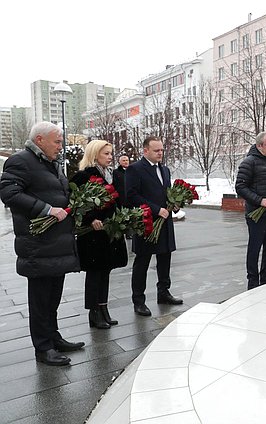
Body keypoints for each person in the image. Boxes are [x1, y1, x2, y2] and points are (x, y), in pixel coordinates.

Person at [0, 122, 84, 366]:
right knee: (40, 300)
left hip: (56, 244)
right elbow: (9, 193)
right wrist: (47, 210)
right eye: (57, 141)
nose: (61, 146)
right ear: (39, 140)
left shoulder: (49, 163)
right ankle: (43, 347)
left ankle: (53, 337)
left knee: (53, 297)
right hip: (38, 244)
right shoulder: (20, 161)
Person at [71, 140, 128, 329]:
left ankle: (103, 309)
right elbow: (76, 201)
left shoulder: (111, 174)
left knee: (105, 271)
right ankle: (93, 313)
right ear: (95, 155)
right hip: (93, 234)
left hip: (108, 232)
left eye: (111, 153)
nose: (110, 157)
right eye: (106, 154)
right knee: (95, 274)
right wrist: (90, 219)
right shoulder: (84, 175)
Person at [125, 136, 182, 316]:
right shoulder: (135, 169)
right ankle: (139, 300)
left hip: (164, 223)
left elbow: (167, 192)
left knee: (165, 258)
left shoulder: (164, 170)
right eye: (156, 150)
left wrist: (174, 203)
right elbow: (132, 196)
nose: (160, 153)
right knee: (142, 262)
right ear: (145, 151)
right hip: (147, 223)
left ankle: (163, 292)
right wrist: (156, 209)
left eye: (162, 150)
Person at [235, 132, 266, 290]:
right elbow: (240, 187)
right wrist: (259, 200)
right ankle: (253, 280)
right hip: (256, 214)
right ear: (259, 146)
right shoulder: (249, 162)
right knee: (255, 247)